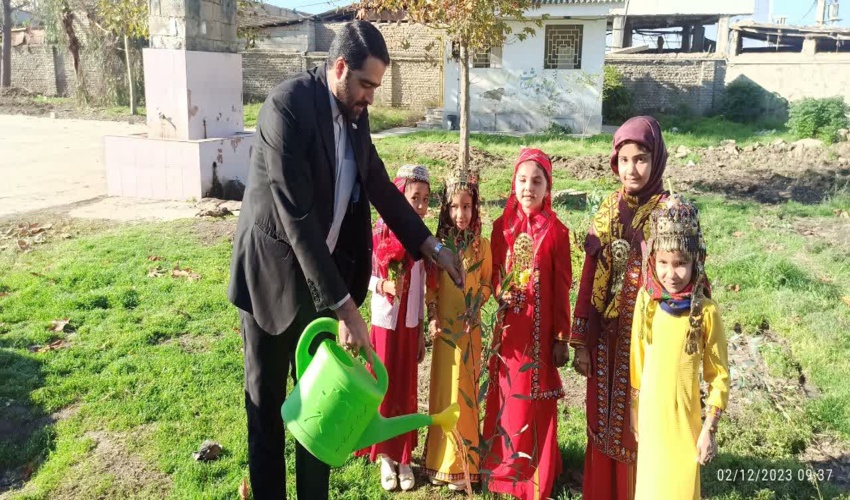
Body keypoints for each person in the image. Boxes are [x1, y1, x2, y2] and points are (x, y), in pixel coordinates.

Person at [227, 21, 463, 500]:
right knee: (267, 411)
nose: (371, 98)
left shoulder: (355, 116)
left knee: (322, 410)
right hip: (272, 283)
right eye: (366, 85)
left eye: (375, 87)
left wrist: (432, 248)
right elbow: (297, 219)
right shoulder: (286, 108)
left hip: (324, 285)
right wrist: (347, 310)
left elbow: (378, 184)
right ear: (339, 68)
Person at [569, 116, 669, 500]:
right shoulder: (607, 211)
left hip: (649, 343)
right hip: (606, 340)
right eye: (624, 159)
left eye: (641, 158)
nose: (632, 169)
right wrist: (581, 341)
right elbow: (589, 276)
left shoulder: (669, 213)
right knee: (602, 416)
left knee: (639, 421)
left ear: (656, 159)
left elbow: (690, 284)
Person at [482, 148, 572, 500]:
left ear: (548, 187)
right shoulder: (500, 227)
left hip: (540, 331)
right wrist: (496, 292)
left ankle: (536, 470)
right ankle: (505, 467)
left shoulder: (557, 232)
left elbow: (562, 285)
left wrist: (561, 337)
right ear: (513, 183)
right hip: (509, 333)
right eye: (522, 180)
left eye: (537, 181)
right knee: (508, 392)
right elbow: (492, 275)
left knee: (535, 397)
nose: (528, 188)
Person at [630, 194, 730, 499]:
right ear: (652, 260)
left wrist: (708, 429)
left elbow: (719, 375)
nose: (670, 274)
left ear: (695, 261)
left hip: (686, 421)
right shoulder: (647, 301)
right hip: (651, 417)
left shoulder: (706, 311)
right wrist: (636, 413)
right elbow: (638, 359)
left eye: (680, 264)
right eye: (662, 263)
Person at [355, 165, 431, 492]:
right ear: (399, 198)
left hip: (409, 325)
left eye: (426, 200)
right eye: (414, 198)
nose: (420, 206)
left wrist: (422, 332)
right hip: (385, 325)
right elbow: (365, 277)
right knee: (384, 386)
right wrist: (382, 284)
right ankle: (385, 455)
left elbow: (423, 286)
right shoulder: (378, 234)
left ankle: (403, 456)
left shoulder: (421, 239)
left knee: (406, 388)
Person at [422, 167, 492, 492]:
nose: (460, 214)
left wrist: (477, 305)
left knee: (464, 395)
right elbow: (432, 288)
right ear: (445, 209)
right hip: (445, 334)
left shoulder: (482, 247)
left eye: (466, 207)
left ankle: (465, 463)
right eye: (454, 207)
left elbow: (489, 283)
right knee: (443, 393)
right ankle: (439, 460)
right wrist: (433, 316)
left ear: (474, 208)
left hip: (470, 332)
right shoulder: (438, 248)